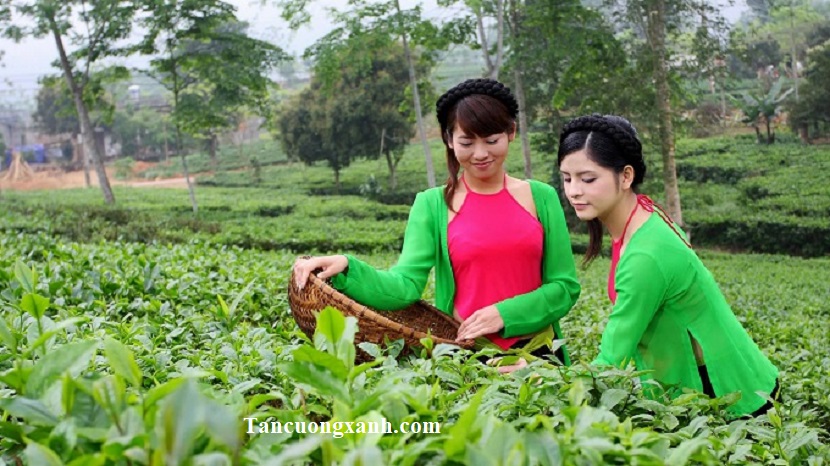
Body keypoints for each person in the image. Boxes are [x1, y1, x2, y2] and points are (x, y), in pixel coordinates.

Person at [293, 78, 581, 372]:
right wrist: (348, 267)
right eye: (467, 143)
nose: (480, 153)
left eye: (492, 140)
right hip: (467, 357)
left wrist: (504, 315)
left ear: (511, 133)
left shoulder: (541, 197)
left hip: (538, 354)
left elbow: (564, 287)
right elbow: (404, 285)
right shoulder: (432, 205)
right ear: (449, 139)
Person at [556, 113, 779, 416]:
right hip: (736, 377)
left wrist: (546, 380)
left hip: (730, 396)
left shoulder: (645, 256)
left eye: (588, 179)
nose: (573, 191)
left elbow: (610, 359)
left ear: (626, 176)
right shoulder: (644, 213)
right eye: (567, 178)